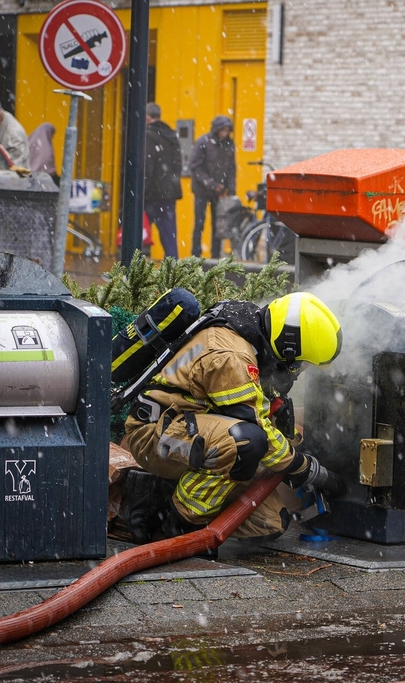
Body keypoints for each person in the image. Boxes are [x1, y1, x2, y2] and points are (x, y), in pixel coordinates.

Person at [120, 292, 345, 546]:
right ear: (289, 346)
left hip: (191, 433)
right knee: (246, 443)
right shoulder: (232, 356)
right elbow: (259, 432)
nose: (299, 372)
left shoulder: (253, 333)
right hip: (155, 435)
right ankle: (176, 522)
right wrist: (306, 469)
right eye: (301, 364)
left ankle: (163, 492)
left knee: (269, 524)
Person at [188, 115, 236, 258]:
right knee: (199, 223)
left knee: (218, 225)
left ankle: (215, 255)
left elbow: (231, 169)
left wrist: (231, 190)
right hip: (202, 190)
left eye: (227, 130)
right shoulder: (203, 142)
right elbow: (195, 167)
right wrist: (211, 184)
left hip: (219, 191)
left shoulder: (229, 144)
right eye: (223, 130)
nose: (225, 133)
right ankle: (195, 254)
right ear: (217, 130)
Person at [144, 103, 183, 258]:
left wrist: (142, 190)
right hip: (168, 194)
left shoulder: (148, 135)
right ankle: (173, 270)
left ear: (147, 118)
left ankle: (129, 270)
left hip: (151, 194)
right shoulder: (171, 136)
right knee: (169, 235)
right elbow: (178, 165)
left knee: (138, 233)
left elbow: (147, 167)